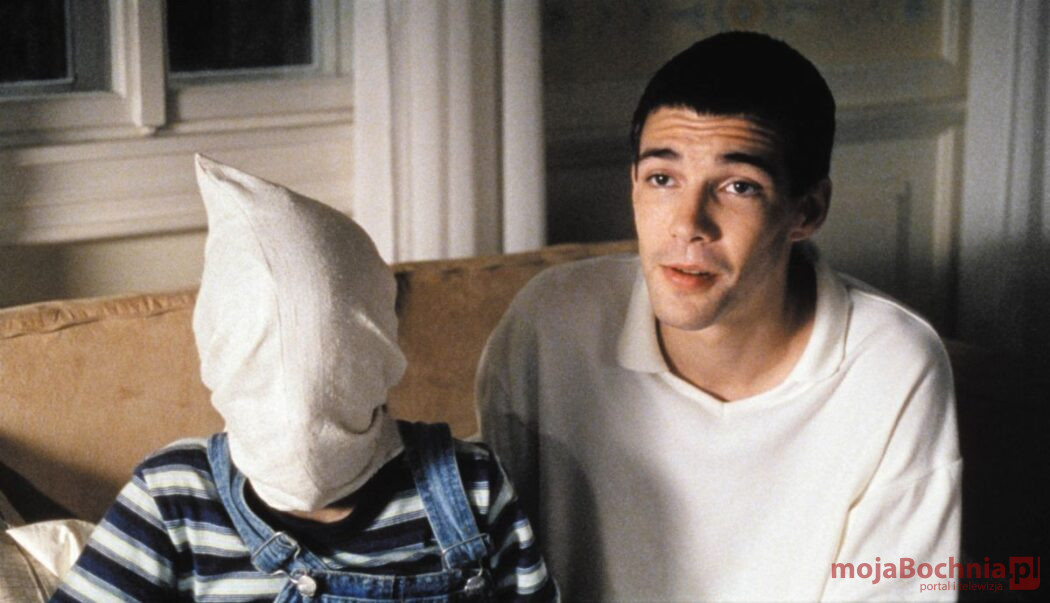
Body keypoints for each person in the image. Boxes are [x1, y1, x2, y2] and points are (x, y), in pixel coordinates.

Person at [477, 32, 960, 601]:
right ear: (634, 186)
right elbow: (483, 563)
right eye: (663, 179)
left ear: (807, 211)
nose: (688, 224)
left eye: (738, 187)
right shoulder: (551, 323)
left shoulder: (891, 364)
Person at [53, 155, 558, 602]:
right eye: (261, 382)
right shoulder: (172, 496)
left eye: (336, 379)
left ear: (381, 359)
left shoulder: (471, 485)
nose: (300, 417)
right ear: (220, 367)